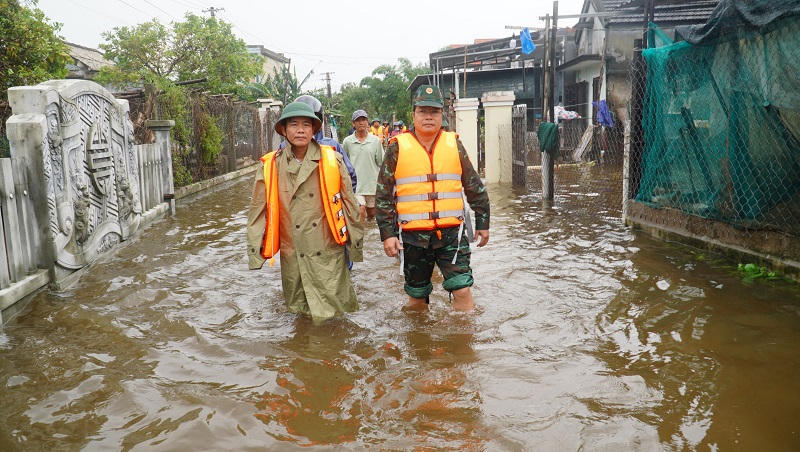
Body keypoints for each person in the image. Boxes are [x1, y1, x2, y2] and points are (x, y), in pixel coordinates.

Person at [375, 85, 490, 312]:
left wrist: (483, 222)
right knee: (417, 297)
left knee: (462, 288)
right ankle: (420, 345)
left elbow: (474, 185)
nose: (428, 116)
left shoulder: (454, 144)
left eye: (434, 112)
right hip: (412, 237)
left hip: (452, 235)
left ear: (442, 115)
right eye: (422, 111)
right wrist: (388, 235)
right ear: (414, 114)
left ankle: (464, 344)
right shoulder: (396, 147)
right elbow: (383, 195)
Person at [247, 101, 364, 322]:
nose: (300, 130)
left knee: (334, 317)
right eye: (294, 125)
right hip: (293, 253)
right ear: (283, 130)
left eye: (306, 125)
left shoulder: (332, 160)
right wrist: (255, 253)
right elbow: (257, 211)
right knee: (300, 316)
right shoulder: (270, 166)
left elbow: (349, 205)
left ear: (314, 130)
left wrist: (355, 245)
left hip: (328, 250)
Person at [279, 95, 357, 193]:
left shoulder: (331, 146)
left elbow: (349, 176)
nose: (301, 130)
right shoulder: (283, 147)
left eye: (306, 123)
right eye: (295, 124)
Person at [343, 110, 384, 222]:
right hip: (356, 186)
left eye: (363, 120)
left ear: (367, 123)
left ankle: (370, 235)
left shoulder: (375, 141)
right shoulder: (347, 142)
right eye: (358, 120)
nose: (361, 123)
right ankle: (360, 238)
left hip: (371, 184)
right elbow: (344, 163)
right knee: (360, 211)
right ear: (353, 123)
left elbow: (381, 162)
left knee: (372, 215)